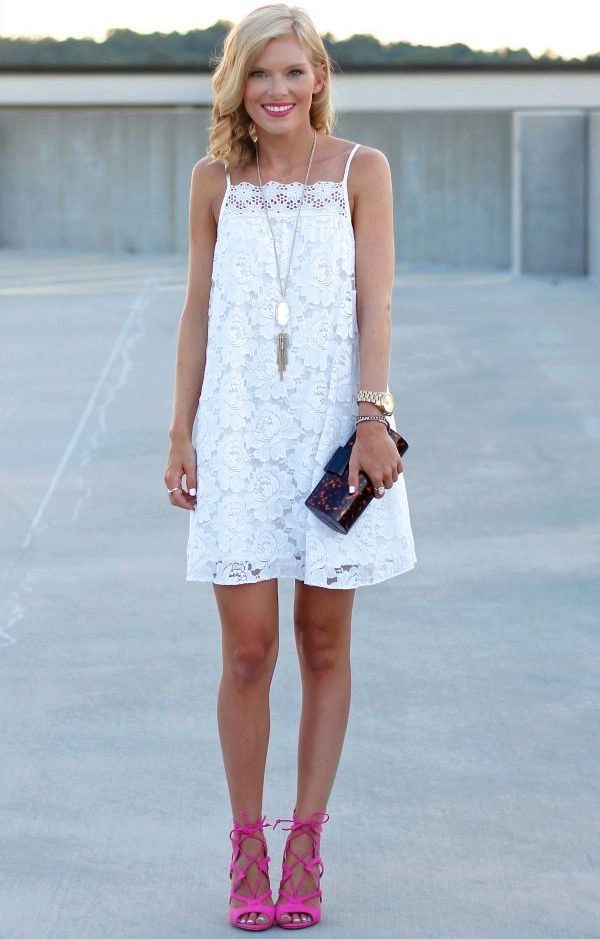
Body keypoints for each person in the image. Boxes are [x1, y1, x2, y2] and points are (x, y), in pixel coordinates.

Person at [164, 3, 417, 930]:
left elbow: (375, 304)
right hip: (237, 435)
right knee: (247, 652)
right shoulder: (213, 180)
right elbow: (197, 310)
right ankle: (246, 845)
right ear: (238, 83)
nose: (277, 90)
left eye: (293, 72)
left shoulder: (360, 170)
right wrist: (180, 431)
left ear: (319, 78)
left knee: (322, 644)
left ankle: (306, 843)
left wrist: (372, 418)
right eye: (260, 73)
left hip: (331, 433)